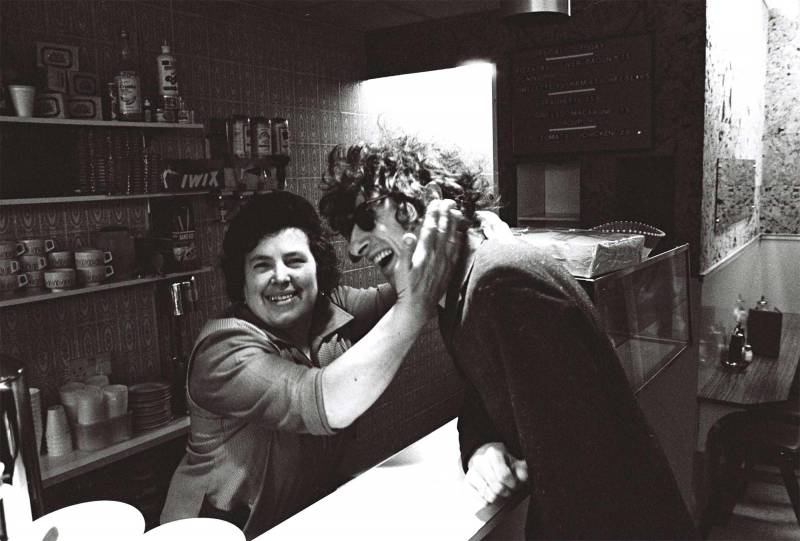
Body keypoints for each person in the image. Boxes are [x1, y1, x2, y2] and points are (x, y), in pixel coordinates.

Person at [318, 136, 700, 539]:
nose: (356, 247)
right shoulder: (465, 290)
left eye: (364, 217)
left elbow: (577, 478)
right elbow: (482, 395)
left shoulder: (500, 282)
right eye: (348, 233)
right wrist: (481, 448)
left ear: (428, 199)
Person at [161, 190, 464, 539]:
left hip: (294, 521)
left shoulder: (330, 308)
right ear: (240, 280)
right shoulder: (222, 349)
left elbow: (401, 293)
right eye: (261, 265)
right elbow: (323, 401)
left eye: (294, 260)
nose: (280, 276)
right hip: (218, 532)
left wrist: (433, 239)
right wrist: (415, 304)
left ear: (317, 266)